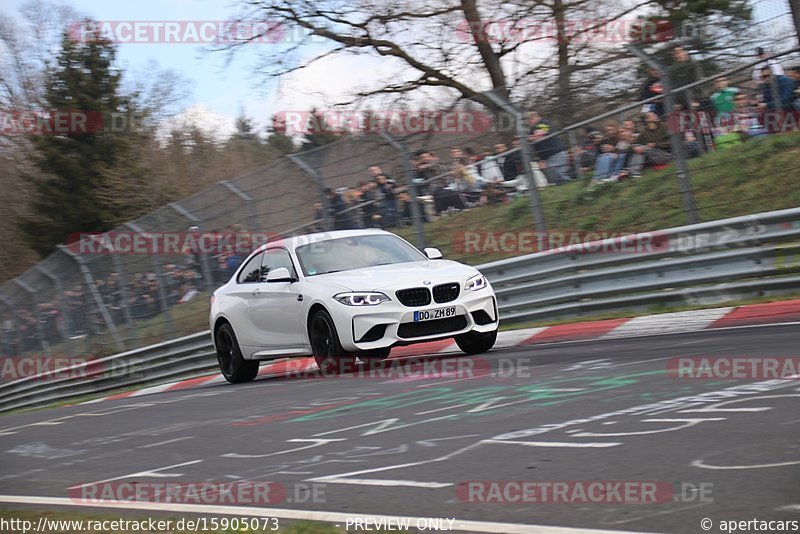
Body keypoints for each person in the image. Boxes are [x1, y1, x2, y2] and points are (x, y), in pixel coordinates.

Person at [527, 111, 571, 184]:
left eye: (529, 119)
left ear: (534, 117)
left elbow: (539, 135)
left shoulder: (543, 122)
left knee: (559, 174)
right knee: (555, 176)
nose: (528, 122)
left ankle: (570, 185)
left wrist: (528, 138)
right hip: (548, 156)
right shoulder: (532, 128)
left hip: (556, 152)